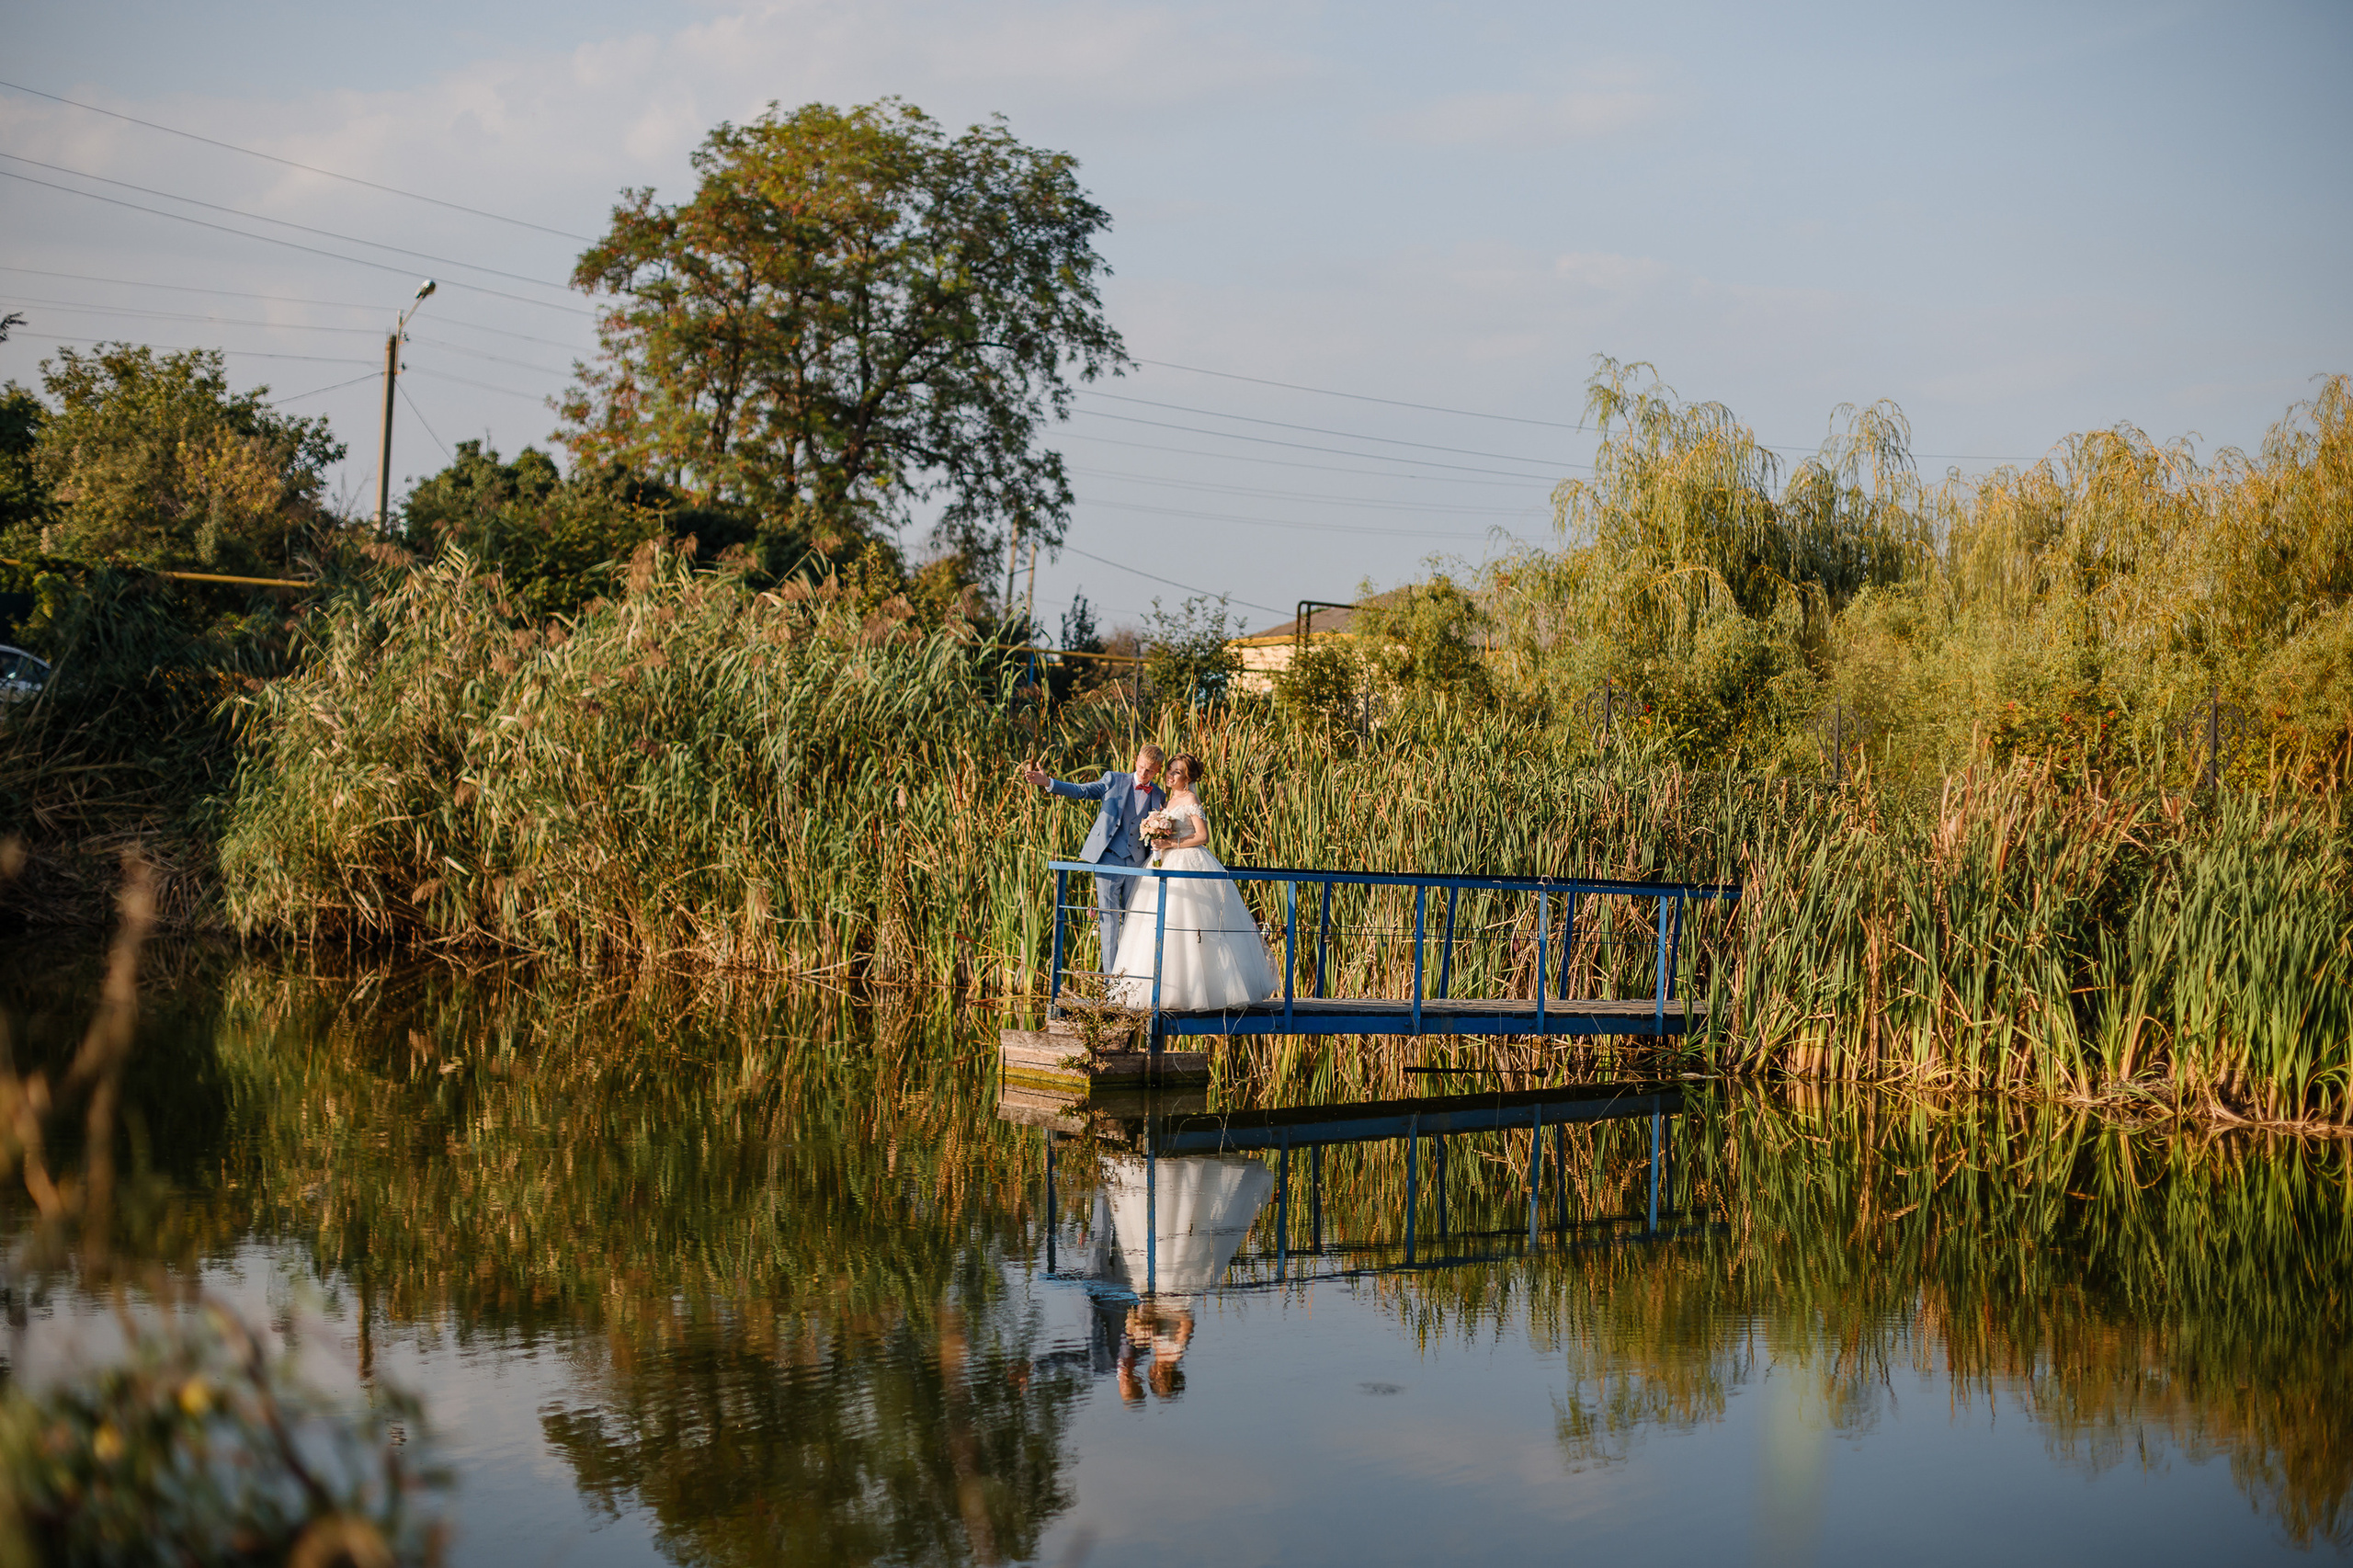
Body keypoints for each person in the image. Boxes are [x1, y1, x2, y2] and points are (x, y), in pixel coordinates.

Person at [1108, 753, 1278, 1011]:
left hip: (1188, 861)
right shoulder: (1167, 799)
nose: (1169, 774)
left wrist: (1171, 843)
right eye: (1170, 770)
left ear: (1186, 778)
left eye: (1176, 772)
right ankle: (1156, 988)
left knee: (1193, 922)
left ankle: (1198, 991)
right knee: (1157, 922)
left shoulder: (1190, 799)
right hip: (1164, 860)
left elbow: (1202, 836)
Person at [1019, 744, 1165, 970]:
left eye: (1149, 771)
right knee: (1109, 921)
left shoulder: (1158, 795)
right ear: (1136, 759)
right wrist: (1049, 783)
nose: (1143, 773)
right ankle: (1111, 984)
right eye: (1141, 766)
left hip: (1138, 862)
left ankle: (1131, 977)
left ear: (1157, 770)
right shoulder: (1114, 780)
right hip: (1109, 858)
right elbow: (1081, 791)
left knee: (1134, 919)